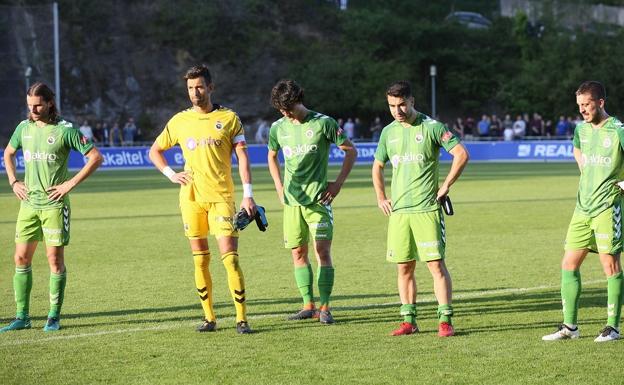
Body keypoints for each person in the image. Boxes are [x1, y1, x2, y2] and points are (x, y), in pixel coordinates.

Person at [148, 64, 256, 334]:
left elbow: (243, 156)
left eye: (199, 87)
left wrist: (248, 195)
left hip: (221, 197)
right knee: (200, 260)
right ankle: (209, 318)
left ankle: (241, 319)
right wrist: (171, 174)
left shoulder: (229, 118)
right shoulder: (179, 121)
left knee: (230, 259)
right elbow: (155, 150)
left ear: (210, 87)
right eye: (190, 88)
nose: (194, 93)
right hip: (191, 199)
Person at [1, 82, 103, 332]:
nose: (33, 110)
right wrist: (14, 181)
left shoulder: (65, 130)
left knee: (54, 261)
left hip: (54, 206)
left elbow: (95, 157)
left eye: (38, 105)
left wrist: (69, 184)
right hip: (28, 205)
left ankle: (53, 316)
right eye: (29, 106)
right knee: (21, 258)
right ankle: (22, 317)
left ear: (49, 103)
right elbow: (8, 153)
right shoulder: (23, 128)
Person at [372, 81, 469, 337]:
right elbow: (377, 166)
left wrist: (446, 185)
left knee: (436, 266)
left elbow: (461, 154)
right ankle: (409, 321)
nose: (398, 110)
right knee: (404, 267)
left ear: (412, 101)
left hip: (427, 210)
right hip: (400, 212)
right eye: (392, 105)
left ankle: (445, 320)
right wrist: (381, 196)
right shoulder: (388, 133)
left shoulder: (433, 127)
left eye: (402, 104)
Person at [267, 79, 356, 324]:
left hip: (318, 201)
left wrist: (337, 184)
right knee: (298, 252)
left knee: (322, 252)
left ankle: (325, 307)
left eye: (289, 108)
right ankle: (308, 305)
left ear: (299, 99)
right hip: (292, 202)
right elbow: (272, 156)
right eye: (282, 110)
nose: (287, 114)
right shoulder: (278, 127)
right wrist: (278, 186)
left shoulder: (323, 123)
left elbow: (351, 151)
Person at [543, 81, 624, 342]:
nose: (583, 110)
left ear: (601, 102)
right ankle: (570, 327)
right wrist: (584, 168)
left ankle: (612, 327)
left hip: (607, 208)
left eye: (587, 105)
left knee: (609, 265)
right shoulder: (581, 130)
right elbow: (577, 148)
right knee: (569, 263)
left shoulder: (618, 129)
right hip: (582, 208)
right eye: (579, 106)